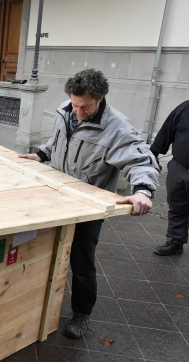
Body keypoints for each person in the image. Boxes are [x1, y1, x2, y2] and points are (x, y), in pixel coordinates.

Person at [18, 68, 159, 340]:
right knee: (42, 248)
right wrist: (41, 154)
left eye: (85, 107)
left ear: (101, 98)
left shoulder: (117, 128)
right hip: (55, 196)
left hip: (87, 206)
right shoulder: (65, 110)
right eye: (75, 104)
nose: (78, 112)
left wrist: (143, 191)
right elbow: (59, 139)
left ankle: (82, 313)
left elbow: (141, 160)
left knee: (82, 262)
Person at [150, 100, 189, 256]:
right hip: (179, 169)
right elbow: (167, 131)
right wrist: (153, 154)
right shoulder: (185, 108)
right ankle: (175, 241)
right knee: (177, 206)